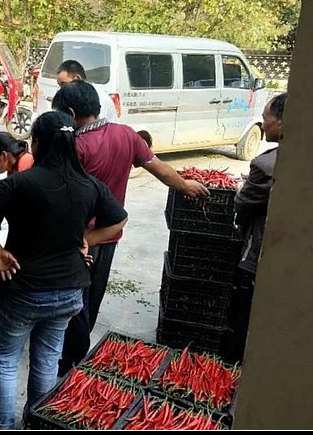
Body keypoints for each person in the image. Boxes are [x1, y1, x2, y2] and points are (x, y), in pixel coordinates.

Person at [0, 111, 128, 430]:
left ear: (37, 143)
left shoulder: (18, 184)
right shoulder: (89, 185)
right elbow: (119, 219)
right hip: (69, 292)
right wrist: (87, 239)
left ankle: (1, 425)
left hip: (23, 289)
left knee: (5, 360)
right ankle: (37, 423)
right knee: (47, 358)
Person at [52, 80, 210, 373]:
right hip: (110, 234)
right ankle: (77, 354)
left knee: (73, 300)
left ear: (70, 113)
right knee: (93, 297)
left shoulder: (76, 145)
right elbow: (158, 167)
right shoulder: (126, 134)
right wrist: (184, 185)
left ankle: (68, 361)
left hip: (80, 238)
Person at [225, 92, 287, 364]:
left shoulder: (266, 164)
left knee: (244, 314)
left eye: (265, 117)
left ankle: (234, 365)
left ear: (282, 122)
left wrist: (242, 189)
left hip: (259, 251)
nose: (263, 124)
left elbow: (243, 205)